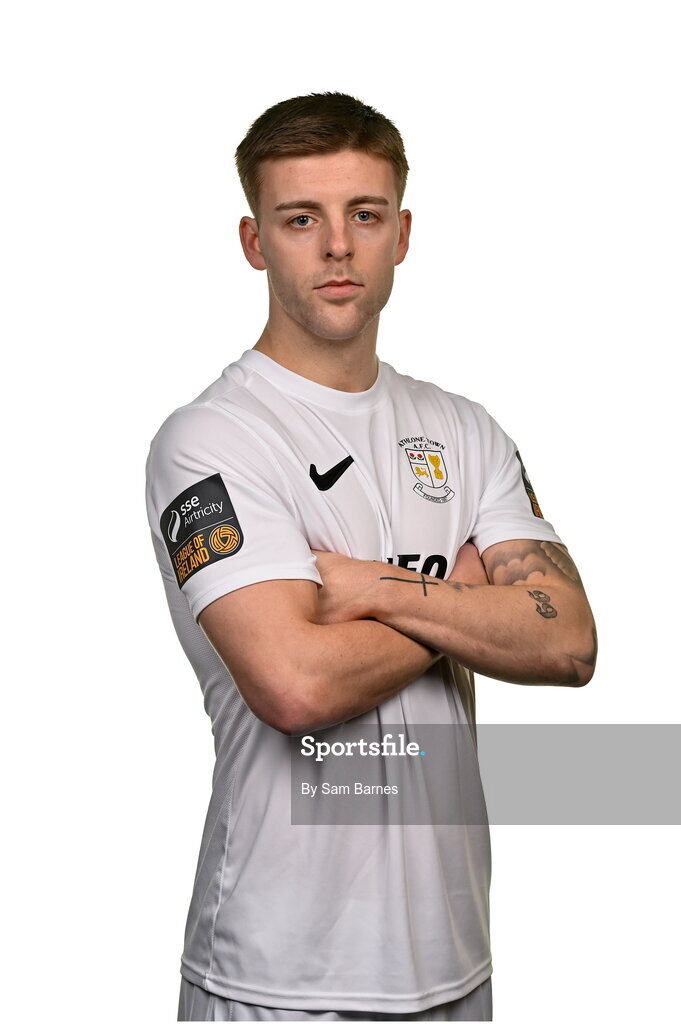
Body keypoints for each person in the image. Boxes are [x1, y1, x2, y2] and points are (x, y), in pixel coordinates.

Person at [145, 92, 597, 1022]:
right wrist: (463, 594)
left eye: (364, 214)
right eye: (299, 219)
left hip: (452, 963)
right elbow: (295, 685)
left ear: (402, 233)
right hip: (276, 977)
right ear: (254, 241)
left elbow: (567, 643)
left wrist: (365, 589)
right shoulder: (211, 440)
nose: (336, 247)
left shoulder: (465, 430)